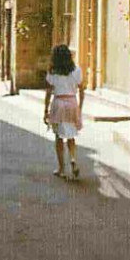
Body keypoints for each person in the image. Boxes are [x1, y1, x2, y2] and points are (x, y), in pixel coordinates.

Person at [43, 45, 85, 180]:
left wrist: (45, 110)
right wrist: (80, 107)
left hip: (59, 103)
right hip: (72, 103)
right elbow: (82, 90)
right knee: (71, 136)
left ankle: (61, 168)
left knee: (59, 137)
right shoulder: (77, 70)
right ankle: (73, 159)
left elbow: (49, 92)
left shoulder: (52, 71)